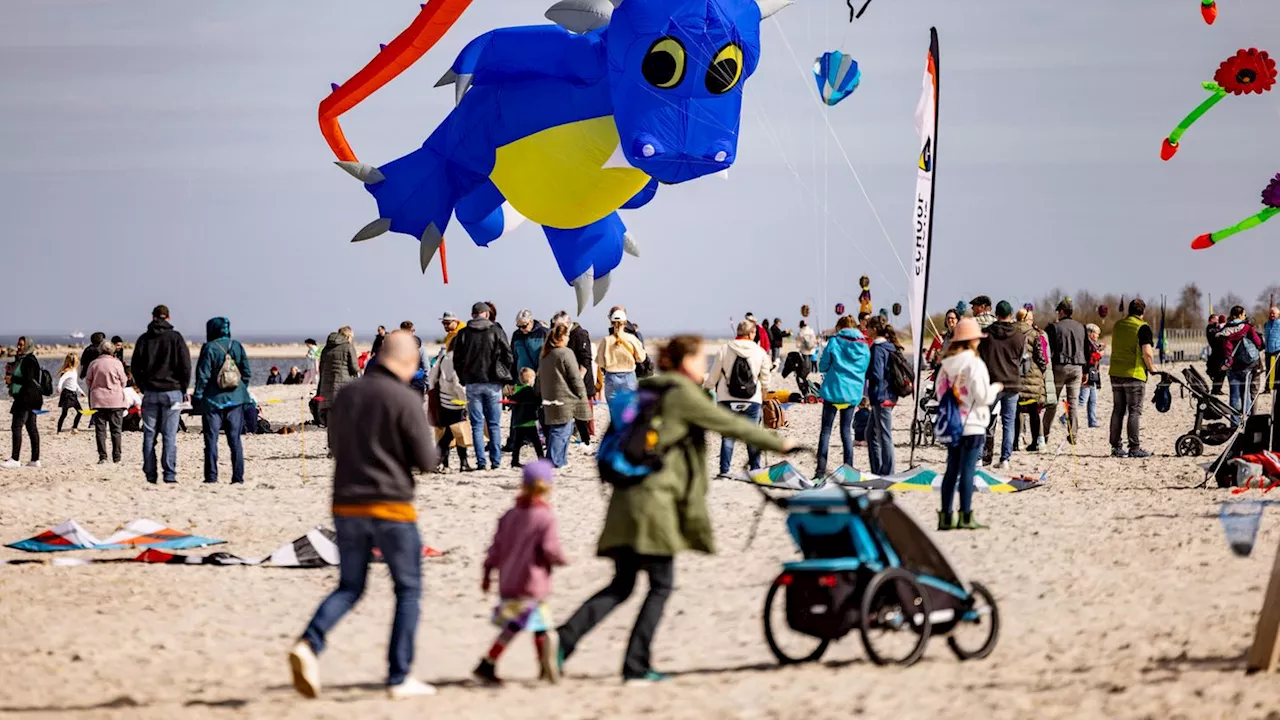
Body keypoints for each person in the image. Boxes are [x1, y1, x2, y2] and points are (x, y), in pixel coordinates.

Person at [556, 335, 797, 683]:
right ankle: (636, 665)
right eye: (701, 359)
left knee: (623, 584)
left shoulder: (647, 390)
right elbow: (728, 423)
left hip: (626, 498)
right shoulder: (681, 394)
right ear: (685, 361)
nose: (705, 366)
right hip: (655, 504)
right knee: (661, 584)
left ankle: (563, 641)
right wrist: (780, 443)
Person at [289, 331, 439, 700]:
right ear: (407, 362)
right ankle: (399, 676)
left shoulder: (347, 395)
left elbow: (336, 447)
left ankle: (309, 643)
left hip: (346, 503)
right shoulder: (403, 398)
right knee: (408, 589)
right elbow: (427, 461)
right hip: (390, 505)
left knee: (350, 586)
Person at [475, 459, 568, 686]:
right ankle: (541, 666)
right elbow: (549, 549)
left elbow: (495, 549)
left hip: (509, 581)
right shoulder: (545, 517)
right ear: (548, 486)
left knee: (524, 624)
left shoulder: (509, 515)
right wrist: (562, 559)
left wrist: (487, 574)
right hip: (532, 582)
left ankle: (533, 666)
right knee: (538, 625)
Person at [936, 318, 1001, 531]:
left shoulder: (945, 365)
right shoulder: (975, 363)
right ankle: (965, 515)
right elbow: (982, 397)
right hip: (972, 424)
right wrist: (996, 388)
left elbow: (940, 394)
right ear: (973, 340)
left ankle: (945, 516)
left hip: (953, 422)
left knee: (951, 470)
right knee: (967, 471)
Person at [131, 305, 191, 484]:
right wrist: (183, 387)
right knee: (169, 435)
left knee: (149, 434)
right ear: (168, 318)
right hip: (172, 392)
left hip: (151, 391)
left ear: (153, 317)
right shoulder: (176, 338)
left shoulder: (144, 339)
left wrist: (142, 386)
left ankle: (151, 473)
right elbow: (185, 365)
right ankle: (169, 474)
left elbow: (135, 366)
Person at [451, 301, 515, 470]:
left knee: (477, 425)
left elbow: (456, 359)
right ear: (486, 314)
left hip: (472, 383)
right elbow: (509, 356)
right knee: (494, 424)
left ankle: (481, 462)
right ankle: (495, 461)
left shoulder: (463, 333)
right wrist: (502, 373)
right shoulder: (496, 331)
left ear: (473, 314)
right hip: (493, 383)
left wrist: (463, 377)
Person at [705, 320, 772, 478]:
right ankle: (755, 470)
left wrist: (707, 387)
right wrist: (764, 393)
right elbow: (766, 377)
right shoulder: (760, 351)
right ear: (751, 334)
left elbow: (714, 374)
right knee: (753, 435)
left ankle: (725, 470)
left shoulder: (724, 349)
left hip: (727, 398)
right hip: (752, 399)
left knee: (728, 436)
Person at [192, 317, 252, 485]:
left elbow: (202, 376)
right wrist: (239, 389)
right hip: (236, 400)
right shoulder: (237, 346)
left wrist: (197, 396)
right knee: (235, 441)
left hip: (213, 400)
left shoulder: (209, 348)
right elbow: (247, 372)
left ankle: (211, 477)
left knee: (211, 440)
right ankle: (237, 478)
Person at [814, 316, 870, 477]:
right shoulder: (863, 345)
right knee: (846, 432)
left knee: (826, 431)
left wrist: (832, 367)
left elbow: (823, 365)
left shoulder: (835, 341)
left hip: (834, 390)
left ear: (840, 327)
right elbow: (865, 367)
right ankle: (849, 469)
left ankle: (820, 470)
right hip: (852, 393)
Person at [978, 301, 1026, 470]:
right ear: (1011, 314)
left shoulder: (986, 334)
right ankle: (1005, 458)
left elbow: (980, 356)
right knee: (1009, 423)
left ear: (996, 314)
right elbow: (1020, 358)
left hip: (992, 382)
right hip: (1012, 382)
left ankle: (978, 456)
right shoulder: (1019, 335)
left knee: (982, 420)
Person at [1109, 299, 1155, 458]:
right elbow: (1147, 352)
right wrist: (1151, 368)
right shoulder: (1143, 327)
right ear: (1143, 312)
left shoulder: (1118, 325)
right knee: (1134, 411)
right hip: (1134, 374)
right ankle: (1134, 447)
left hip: (1115, 373)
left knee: (1118, 410)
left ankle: (1115, 447)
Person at [539, 324, 588, 468]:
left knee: (559, 430)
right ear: (562, 337)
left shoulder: (545, 355)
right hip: (564, 399)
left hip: (548, 398)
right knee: (561, 431)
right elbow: (575, 377)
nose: (568, 338)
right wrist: (581, 394)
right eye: (567, 336)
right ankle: (553, 461)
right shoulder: (565, 353)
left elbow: (539, 377)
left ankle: (559, 461)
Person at [427, 323, 473, 473]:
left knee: (448, 431)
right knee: (456, 432)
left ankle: (444, 462)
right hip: (455, 401)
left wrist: (434, 391)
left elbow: (432, 376)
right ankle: (458, 462)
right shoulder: (457, 360)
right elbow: (457, 383)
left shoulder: (444, 357)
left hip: (443, 400)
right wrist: (466, 401)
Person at [1043, 299, 1086, 444]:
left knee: (1052, 402)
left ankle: (1044, 435)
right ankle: (1073, 433)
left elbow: (1048, 349)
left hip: (1059, 367)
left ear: (1061, 312)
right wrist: (1085, 371)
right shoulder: (1082, 327)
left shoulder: (1053, 327)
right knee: (1072, 403)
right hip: (1077, 367)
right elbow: (1086, 349)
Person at [864, 316, 901, 476]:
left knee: (884, 435)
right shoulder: (889, 346)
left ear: (875, 329)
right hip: (888, 395)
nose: (866, 330)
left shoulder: (878, 348)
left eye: (868, 327)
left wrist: (864, 372)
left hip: (882, 396)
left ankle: (888, 472)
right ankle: (878, 470)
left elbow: (877, 374)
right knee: (870, 432)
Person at [508, 310, 548, 450]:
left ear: (531, 322)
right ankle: (515, 441)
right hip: (521, 378)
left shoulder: (543, 333)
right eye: (519, 326)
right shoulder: (516, 335)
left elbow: (548, 355)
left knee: (540, 409)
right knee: (518, 410)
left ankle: (545, 438)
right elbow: (512, 357)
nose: (521, 330)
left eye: (524, 326)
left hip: (539, 378)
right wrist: (511, 380)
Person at [555, 311, 596, 445]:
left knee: (583, 409)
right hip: (569, 379)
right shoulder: (564, 336)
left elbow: (586, 359)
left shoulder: (580, 334)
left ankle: (584, 435)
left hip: (581, 379)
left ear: (567, 323)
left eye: (559, 326)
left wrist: (578, 379)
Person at [3, 336, 43, 469]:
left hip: (26, 398)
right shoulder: (24, 360)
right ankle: (35, 460)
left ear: (27, 346)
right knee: (31, 427)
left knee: (16, 426)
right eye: (18, 344)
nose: (18, 347)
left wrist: (12, 379)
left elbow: (28, 380)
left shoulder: (29, 360)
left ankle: (15, 458)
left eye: (21, 345)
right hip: (32, 398)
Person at [85, 339, 128, 464]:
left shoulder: (94, 363)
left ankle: (103, 456)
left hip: (98, 399)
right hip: (115, 400)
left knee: (100, 430)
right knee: (116, 430)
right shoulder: (117, 363)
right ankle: (116, 456)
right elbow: (124, 381)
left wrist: (95, 387)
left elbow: (88, 381)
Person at [1014, 310, 1050, 452]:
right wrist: (1042, 370)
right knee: (1034, 410)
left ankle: (1017, 440)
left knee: (1018, 409)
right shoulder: (1035, 334)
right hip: (1032, 375)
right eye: (1030, 318)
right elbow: (1041, 357)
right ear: (1025, 319)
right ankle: (1037, 441)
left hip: (1015, 374)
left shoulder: (1012, 331)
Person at [1220, 305, 1264, 416]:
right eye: (1244, 314)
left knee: (1234, 396)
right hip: (1246, 364)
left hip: (1232, 365)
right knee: (1246, 395)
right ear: (1240, 315)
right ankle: (1246, 421)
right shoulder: (1247, 327)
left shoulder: (1225, 330)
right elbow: (1258, 342)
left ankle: (1234, 423)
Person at [596, 309, 647, 401]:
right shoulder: (632, 339)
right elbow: (641, 358)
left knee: (613, 408)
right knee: (629, 409)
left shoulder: (606, 340)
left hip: (611, 376)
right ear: (625, 323)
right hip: (629, 376)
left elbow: (600, 362)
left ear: (611, 323)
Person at [318, 327, 360, 426]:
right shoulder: (348, 347)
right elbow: (354, 368)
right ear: (347, 336)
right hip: (344, 383)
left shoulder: (326, 348)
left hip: (326, 385)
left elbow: (321, 368)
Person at [509, 368, 545, 467]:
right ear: (530, 380)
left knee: (517, 443)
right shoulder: (529, 391)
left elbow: (512, 402)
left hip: (518, 421)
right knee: (537, 443)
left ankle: (514, 461)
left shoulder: (517, 390)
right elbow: (536, 401)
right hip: (529, 421)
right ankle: (542, 460)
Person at [1080, 324, 1104, 428]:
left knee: (1093, 400)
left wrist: (1099, 348)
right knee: (1082, 400)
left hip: (1093, 374)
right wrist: (1100, 354)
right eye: (1096, 333)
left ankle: (1092, 421)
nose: (1098, 335)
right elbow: (1090, 357)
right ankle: (1064, 418)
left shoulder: (1092, 344)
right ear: (1090, 333)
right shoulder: (1086, 343)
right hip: (1087, 374)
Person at [55, 353, 85, 434]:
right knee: (64, 414)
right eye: (76, 360)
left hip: (73, 394)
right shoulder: (68, 372)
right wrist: (59, 388)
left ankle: (74, 427)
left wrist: (81, 391)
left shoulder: (74, 371)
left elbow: (75, 383)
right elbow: (61, 380)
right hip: (67, 394)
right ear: (73, 362)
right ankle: (58, 429)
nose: (78, 361)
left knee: (80, 411)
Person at [924, 309, 960, 374]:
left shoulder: (959, 333)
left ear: (957, 320)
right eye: (948, 318)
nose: (949, 320)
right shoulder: (947, 335)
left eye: (952, 318)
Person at [1207, 314, 1228, 396]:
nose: (1217, 321)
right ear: (1211, 319)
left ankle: (1218, 388)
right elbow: (1214, 335)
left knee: (1222, 372)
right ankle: (1216, 389)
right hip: (1216, 353)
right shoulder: (1210, 328)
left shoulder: (1216, 327)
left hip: (1221, 353)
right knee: (1218, 372)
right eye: (1216, 319)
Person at [1265, 307, 1280, 393]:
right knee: (1268, 370)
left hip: (1277, 349)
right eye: (1271, 313)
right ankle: (1267, 388)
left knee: (1277, 370)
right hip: (1268, 350)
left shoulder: (1279, 323)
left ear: (1278, 314)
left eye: (1274, 313)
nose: (1272, 315)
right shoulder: (1266, 324)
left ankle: (1276, 387)